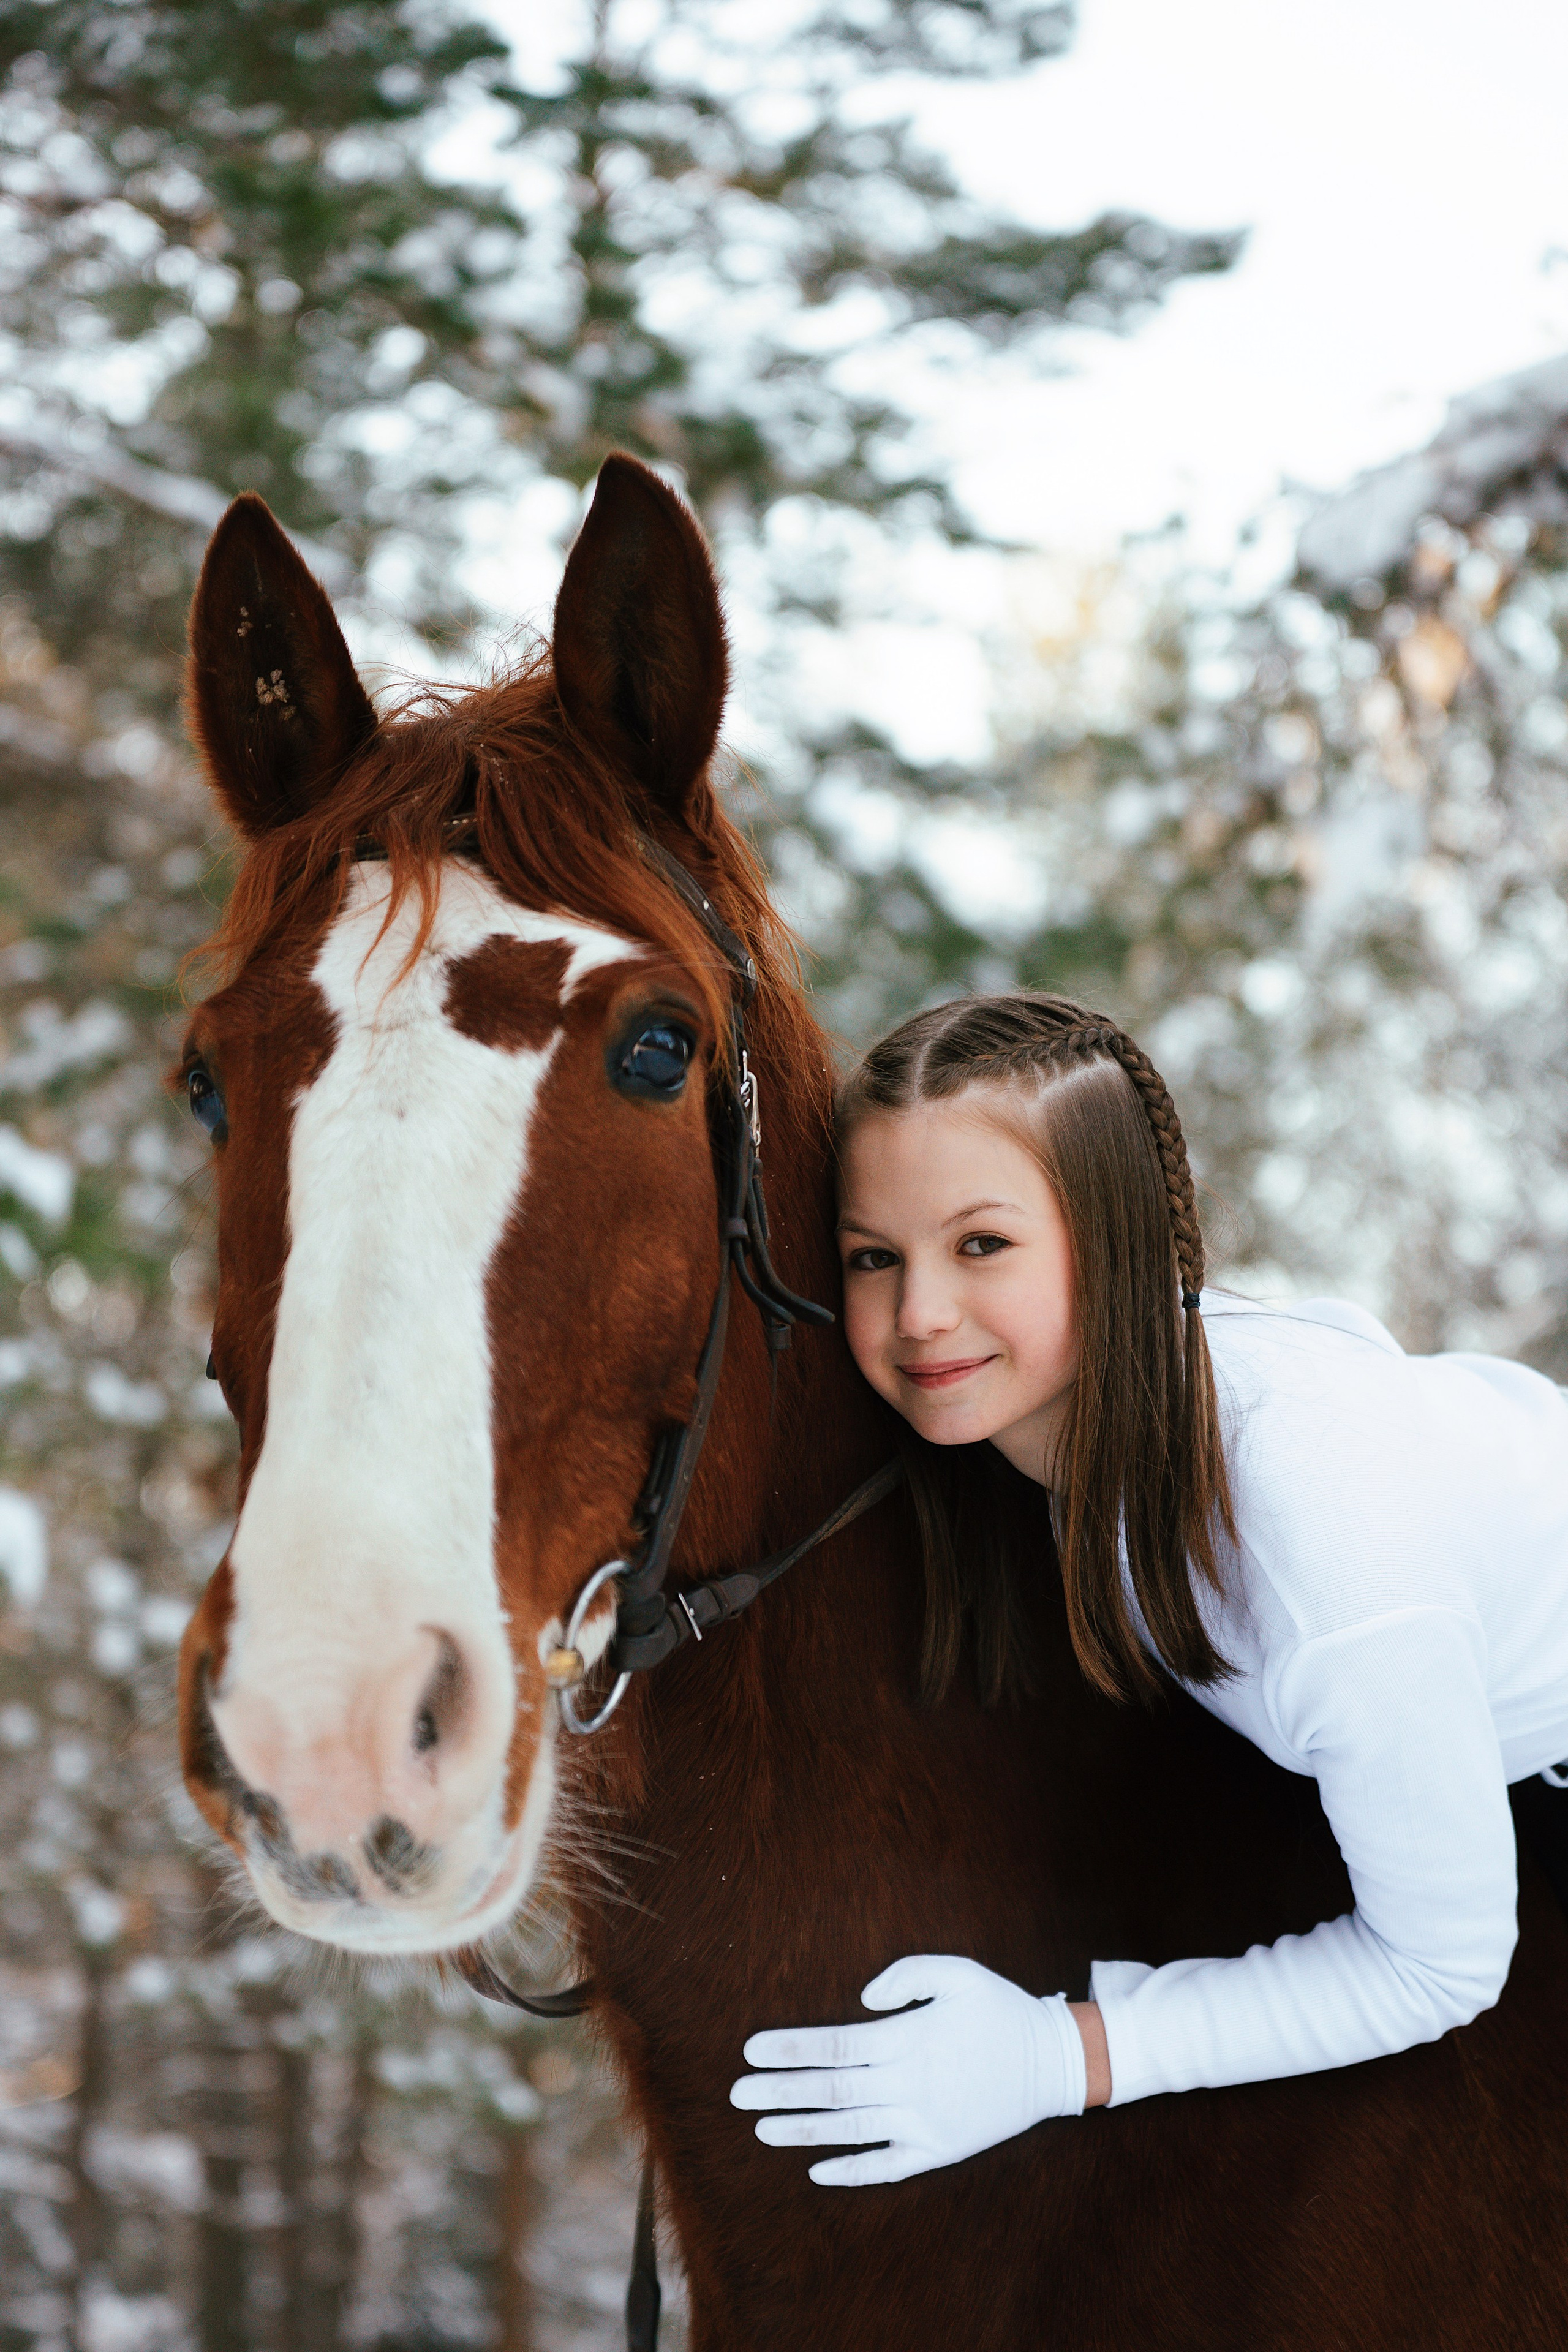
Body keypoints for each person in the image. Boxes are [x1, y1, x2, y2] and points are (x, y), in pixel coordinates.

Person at [729, 993, 1568, 2187]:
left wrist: (1057, 2055)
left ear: (1114, 1242)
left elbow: (1438, 1964)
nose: (916, 1315)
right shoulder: (1042, 1450)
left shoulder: (1319, 1541)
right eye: (874, 1257)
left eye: (980, 1245)